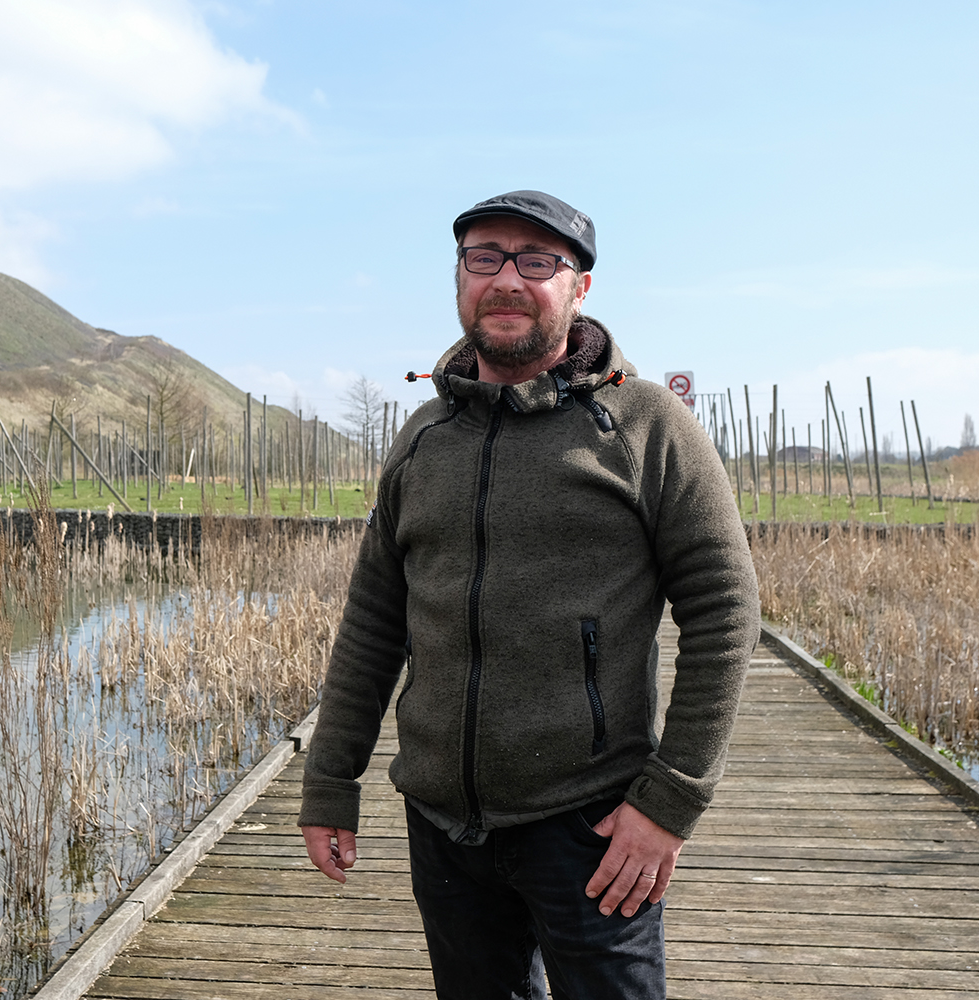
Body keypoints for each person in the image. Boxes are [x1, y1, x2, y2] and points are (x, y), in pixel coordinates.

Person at [298, 190, 760, 999]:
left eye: (537, 261)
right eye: (485, 258)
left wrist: (671, 801)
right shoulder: (421, 439)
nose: (507, 279)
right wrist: (330, 781)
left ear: (579, 287)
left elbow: (726, 609)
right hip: (443, 827)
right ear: (459, 279)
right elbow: (374, 621)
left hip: (592, 825)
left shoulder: (647, 428)